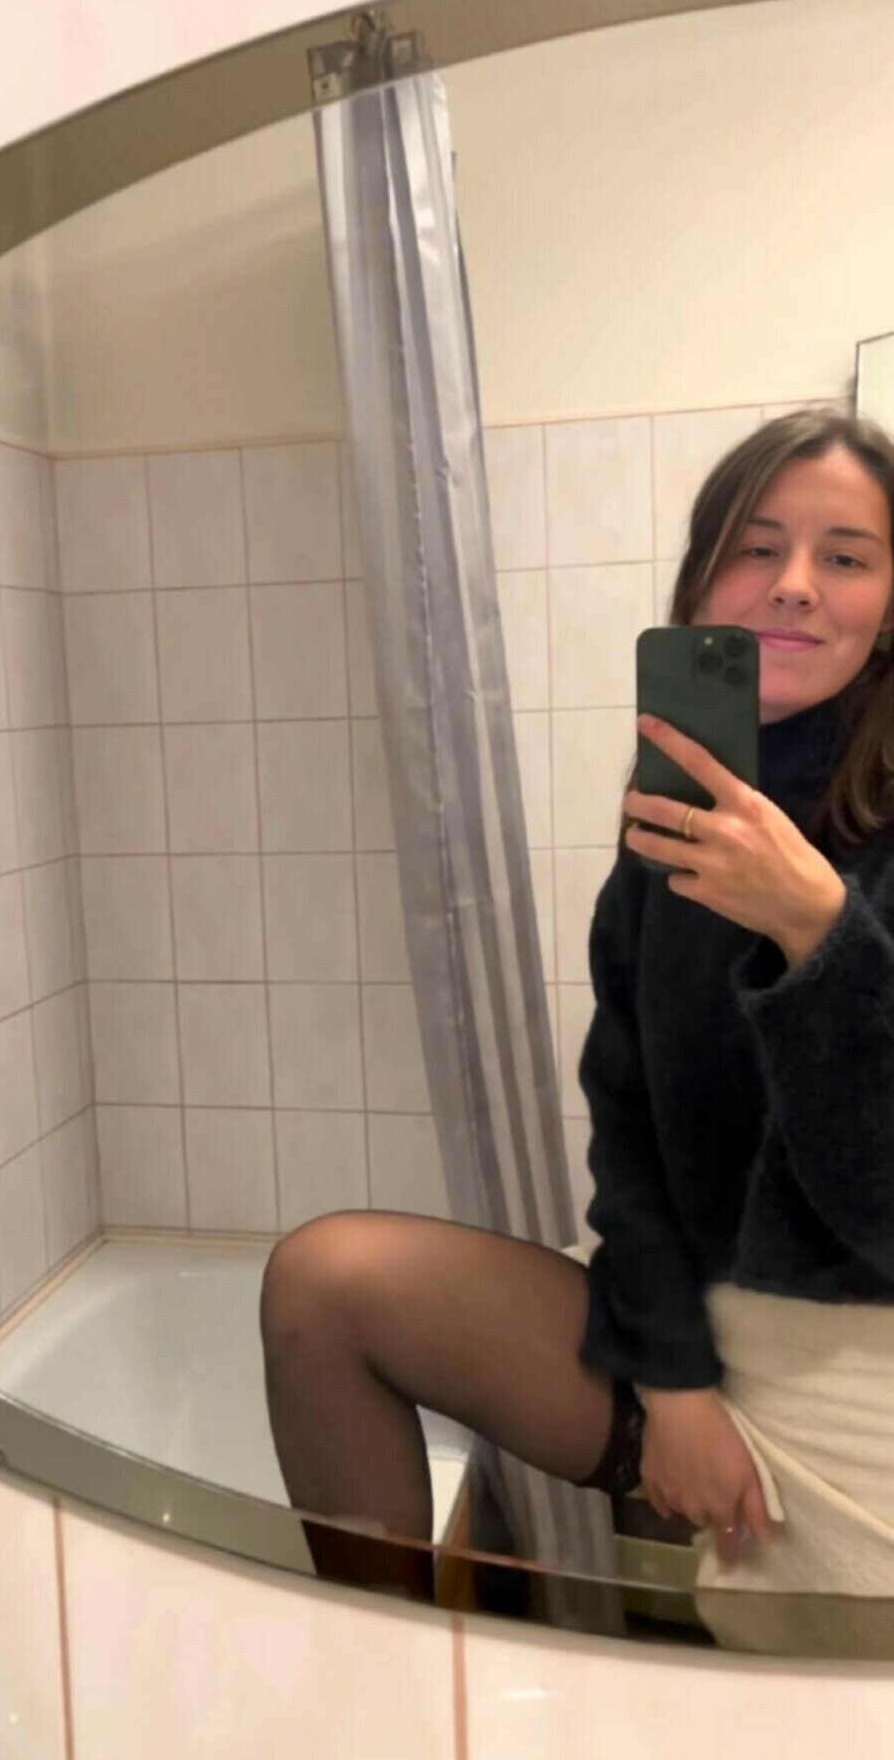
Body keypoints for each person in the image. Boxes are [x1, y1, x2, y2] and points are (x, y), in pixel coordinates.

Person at [259, 408, 894, 1624]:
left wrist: (817, 930)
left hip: (859, 1359)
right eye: (757, 547)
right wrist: (674, 1383)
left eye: (846, 555)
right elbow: (629, 1123)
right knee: (324, 1284)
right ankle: (383, 1678)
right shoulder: (669, 827)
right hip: (688, 1333)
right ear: (702, 582)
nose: (795, 585)